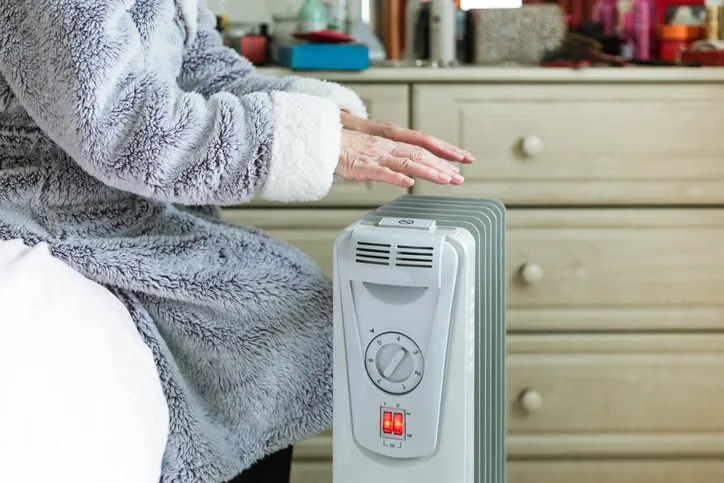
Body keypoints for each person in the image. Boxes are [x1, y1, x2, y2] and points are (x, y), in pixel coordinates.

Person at [0, 0, 473, 482]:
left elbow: (204, 70)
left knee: (291, 301)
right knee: (273, 318)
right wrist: (300, 142)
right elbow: (125, 126)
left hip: (116, 207)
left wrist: (327, 119)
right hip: (41, 205)